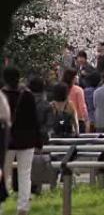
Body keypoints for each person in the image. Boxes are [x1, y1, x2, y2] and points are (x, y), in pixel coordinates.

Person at [2, 66, 40, 215]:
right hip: (27, 139)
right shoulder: (28, 95)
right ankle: (23, 207)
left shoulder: (1, 95)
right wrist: (38, 140)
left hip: (7, 140)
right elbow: (34, 119)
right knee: (25, 174)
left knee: (4, 174)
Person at [62, 68, 89, 134]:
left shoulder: (61, 89)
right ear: (73, 78)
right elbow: (82, 107)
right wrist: (86, 120)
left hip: (63, 120)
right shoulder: (78, 90)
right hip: (78, 120)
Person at [28, 77, 52, 147]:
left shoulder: (22, 102)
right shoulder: (46, 105)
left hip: (24, 140)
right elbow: (49, 124)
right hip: (42, 141)